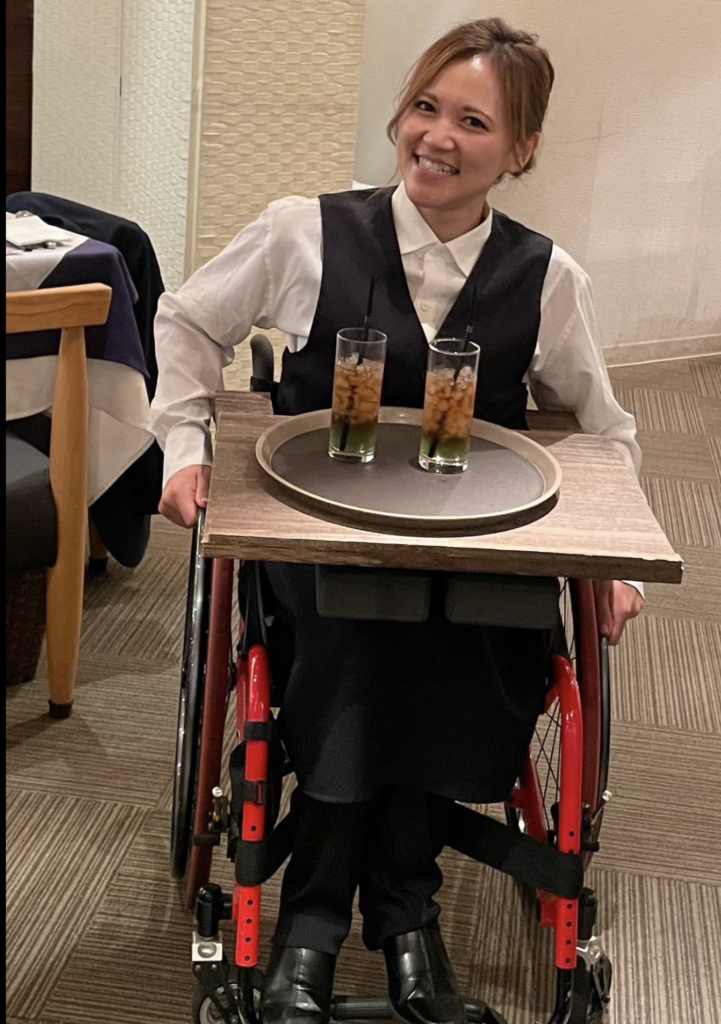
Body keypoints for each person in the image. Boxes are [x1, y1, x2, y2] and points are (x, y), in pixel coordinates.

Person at [152, 18, 644, 1024]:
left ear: (520, 150)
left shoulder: (547, 278)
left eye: (473, 121)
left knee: (461, 637)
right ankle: (370, 918)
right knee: (362, 631)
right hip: (320, 538)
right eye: (425, 106)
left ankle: (350, 917)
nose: (437, 136)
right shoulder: (302, 231)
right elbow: (186, 319)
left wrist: (617, 566)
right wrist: (182, 446)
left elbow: (604, 428)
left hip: (473, 552)